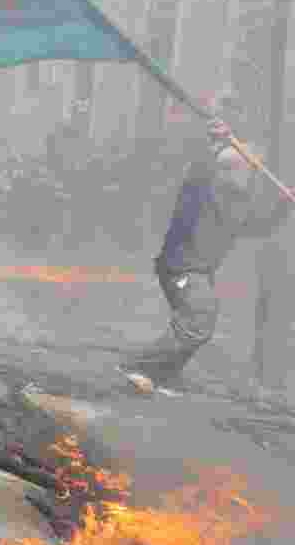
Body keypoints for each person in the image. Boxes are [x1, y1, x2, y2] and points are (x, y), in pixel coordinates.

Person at [119, 118, 293, 396]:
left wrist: (285, 205)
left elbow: (260, 225)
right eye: (243, 168)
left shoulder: (237, 202)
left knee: (201, 322)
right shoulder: (203, 189)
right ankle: (138, 366)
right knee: (198, 317)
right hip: (181, 267)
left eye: (249, 169)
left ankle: (163, 375)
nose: (249, 174)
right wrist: (214, 145)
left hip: (198, 270)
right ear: (227, 170)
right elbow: (198, 175)